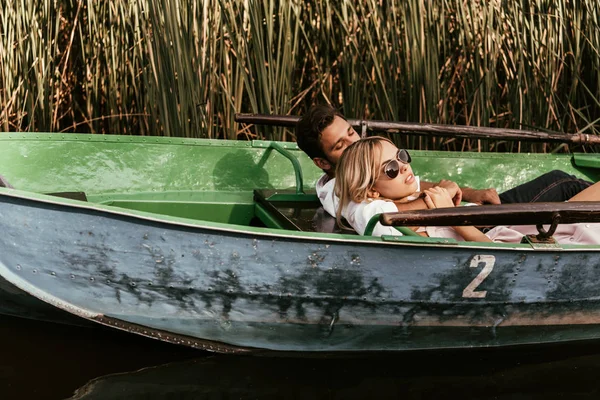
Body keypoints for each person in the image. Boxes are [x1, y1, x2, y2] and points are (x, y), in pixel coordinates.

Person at [295, 104, 593, 219]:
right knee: (562, 182)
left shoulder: (352, 175)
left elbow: (401, 189)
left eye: (351, 133)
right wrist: (436, 199)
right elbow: (378, 215)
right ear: (323, 162)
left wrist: (467, 192)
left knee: (564, 185)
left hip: (463, 210)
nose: (354, 144)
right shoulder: (340, 192)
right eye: (340, 145)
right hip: (467, 222)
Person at [334, 136, 600, 244]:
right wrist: (452, 214)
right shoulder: (408, 225)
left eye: (402, 156)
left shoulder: (413, 197)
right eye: (391, 169)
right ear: (372, 192)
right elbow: (496, 251)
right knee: (563, 185)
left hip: (501, 224)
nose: (403, 167)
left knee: (565, 185)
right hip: (509, 235)